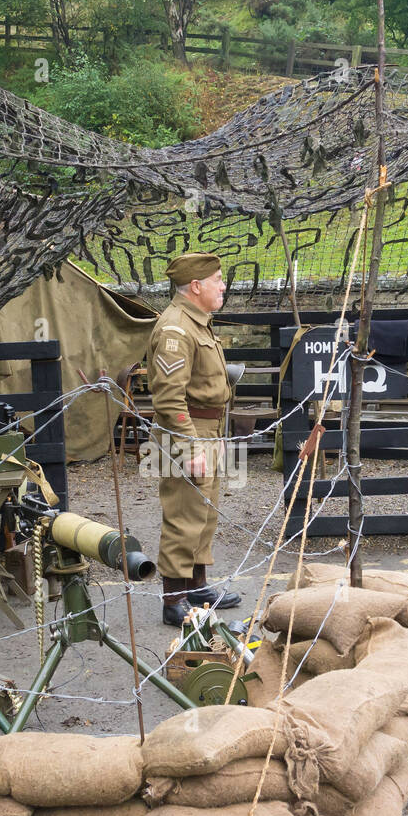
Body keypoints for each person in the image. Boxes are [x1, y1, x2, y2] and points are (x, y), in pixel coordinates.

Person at [147, 252, 243, 625]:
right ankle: (174, 601)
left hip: (208, 430)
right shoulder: (176, 329)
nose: (223, 285)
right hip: (186, 433)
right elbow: (169, 398)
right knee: (184, 517)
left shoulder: (197, 323)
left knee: (205, 514)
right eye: (217, 279)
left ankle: (197, 587)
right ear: (197, 286)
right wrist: (191, 447)